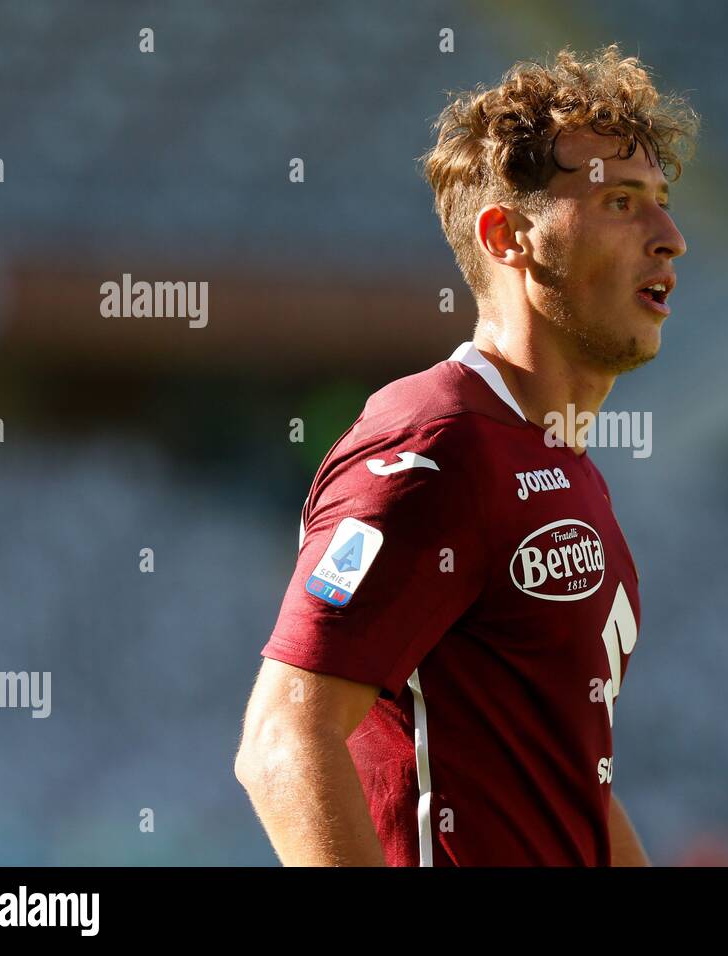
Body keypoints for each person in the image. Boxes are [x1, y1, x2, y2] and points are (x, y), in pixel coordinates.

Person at [234, 43, 697, 866]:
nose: (671, 238)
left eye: (661, 202)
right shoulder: (434, 441)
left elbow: (568, 791)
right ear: (509, 237)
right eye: (622, 203)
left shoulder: (564, 468)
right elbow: (283, 738)